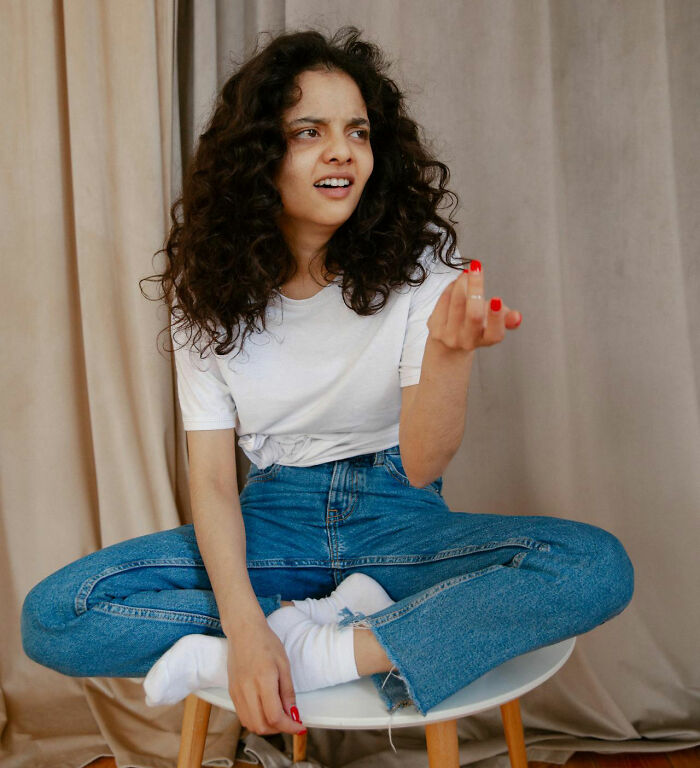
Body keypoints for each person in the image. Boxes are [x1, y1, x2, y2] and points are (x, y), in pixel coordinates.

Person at [20, 26, 634, 746]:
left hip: (397, 519)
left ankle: (325, 652)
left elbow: (423, 465)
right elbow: (214, 481)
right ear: (260, 157)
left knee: (596, 567)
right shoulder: (209, 292)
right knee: (56, 615)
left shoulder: (422, 273)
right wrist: (246, 628)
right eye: (309, 131)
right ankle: (295, 625)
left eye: (357, 132)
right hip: (271, 521)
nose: (342, 150)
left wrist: (449, 355)